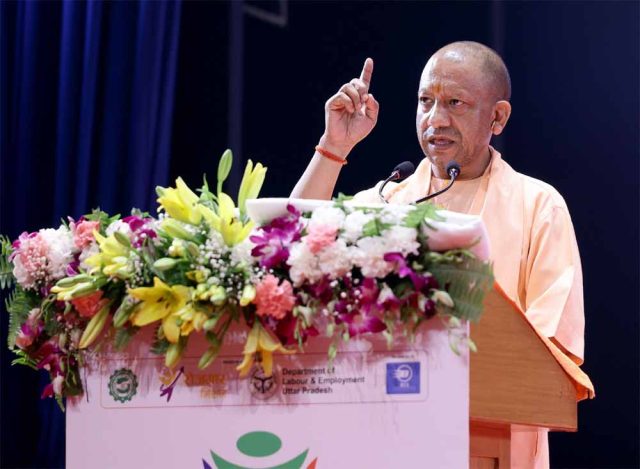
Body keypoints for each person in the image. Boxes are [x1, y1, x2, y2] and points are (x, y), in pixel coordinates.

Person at [291, 41, 585, 468]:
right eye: (425, 101)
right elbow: (295, 245)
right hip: (383, 438)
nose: (435, 119)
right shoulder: (388, 201)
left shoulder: (538, 206)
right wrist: (334, 146)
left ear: (498, 117)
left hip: (491, 444)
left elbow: (549, 354)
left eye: (454, 103)